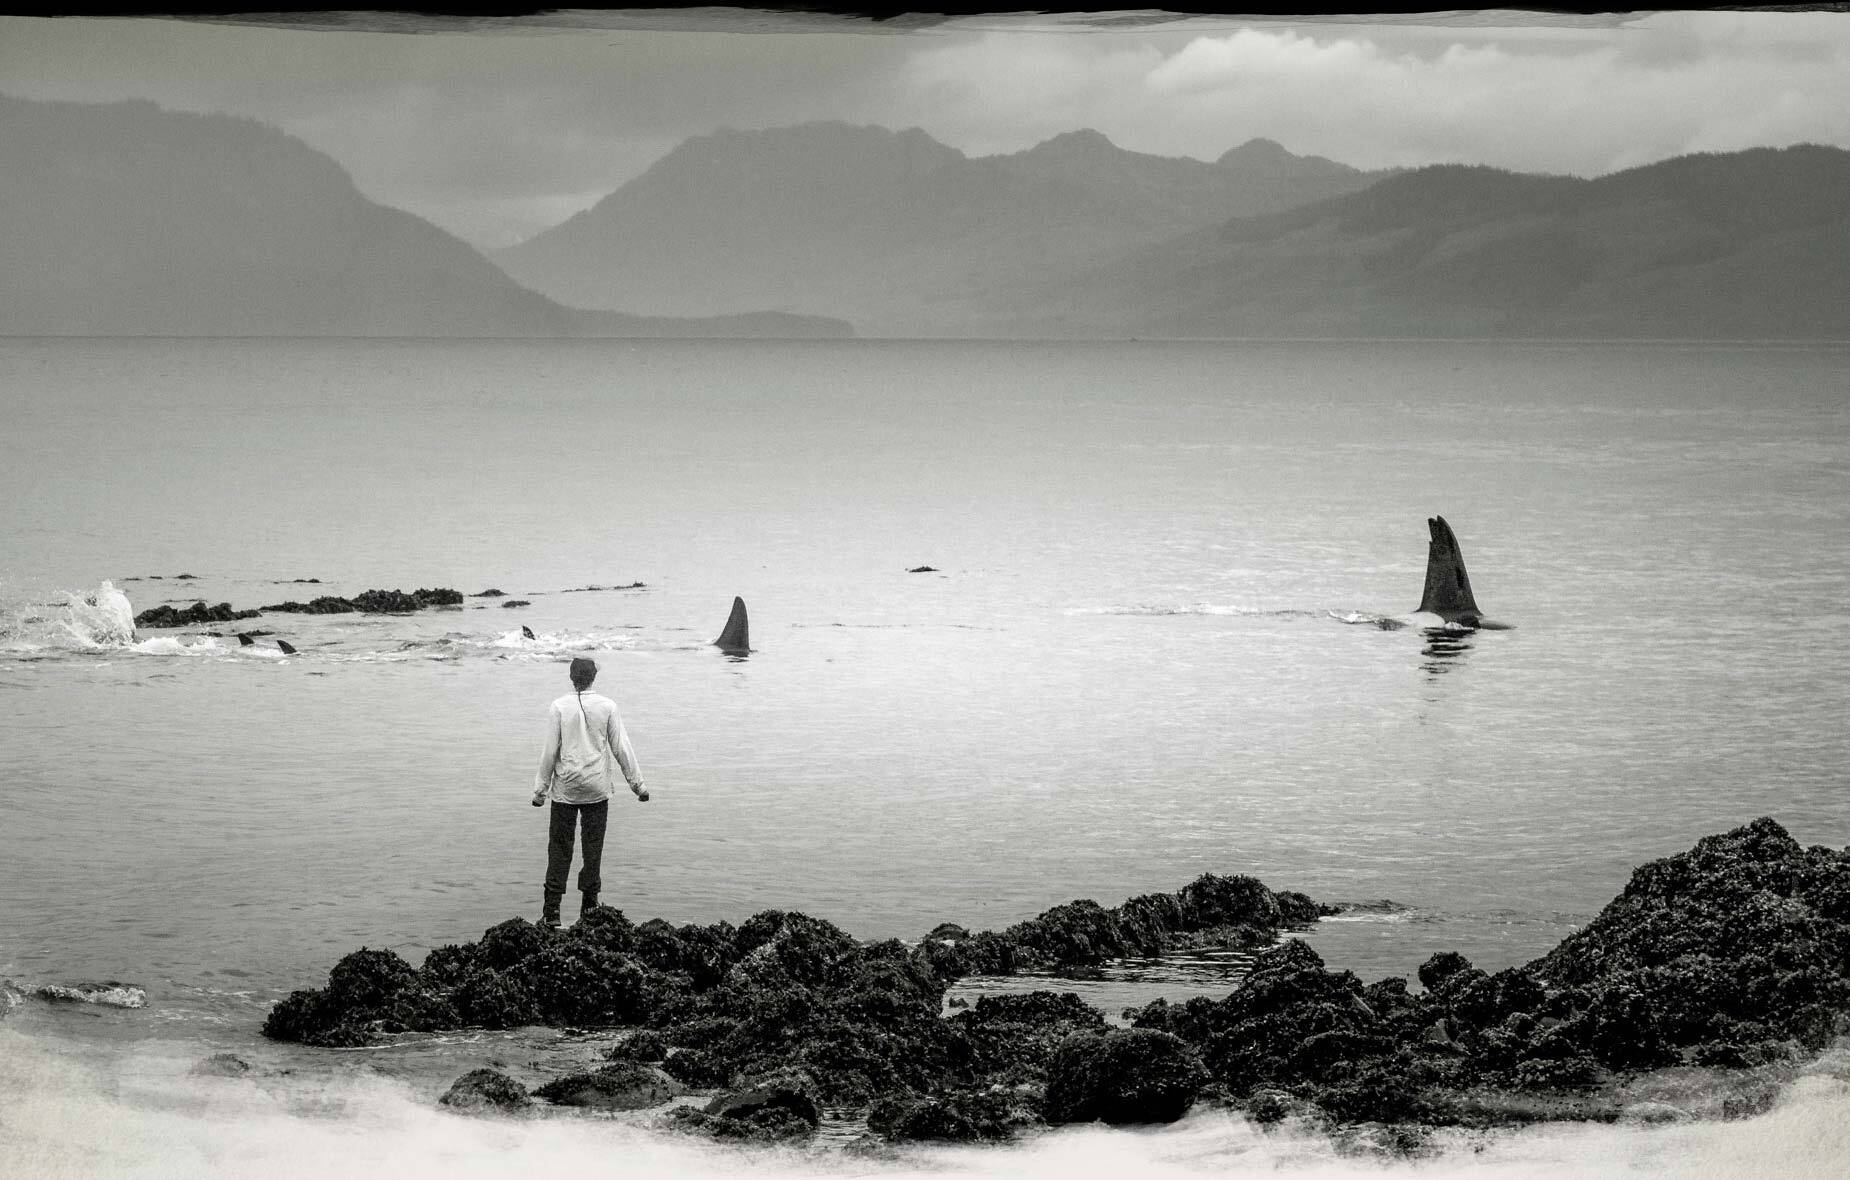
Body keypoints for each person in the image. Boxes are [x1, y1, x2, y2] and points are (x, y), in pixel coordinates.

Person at [531, 656, 648, 926]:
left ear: (572, 679)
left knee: (560, 848)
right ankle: (589, 909)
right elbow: (621, 748)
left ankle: (552, 912)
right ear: (593, 677)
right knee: (592, 848)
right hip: (597, 788)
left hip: (565, 789)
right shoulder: (608, 706)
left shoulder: (559, 707)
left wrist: (540, 791)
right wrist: (638, 785)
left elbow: (550, 751)